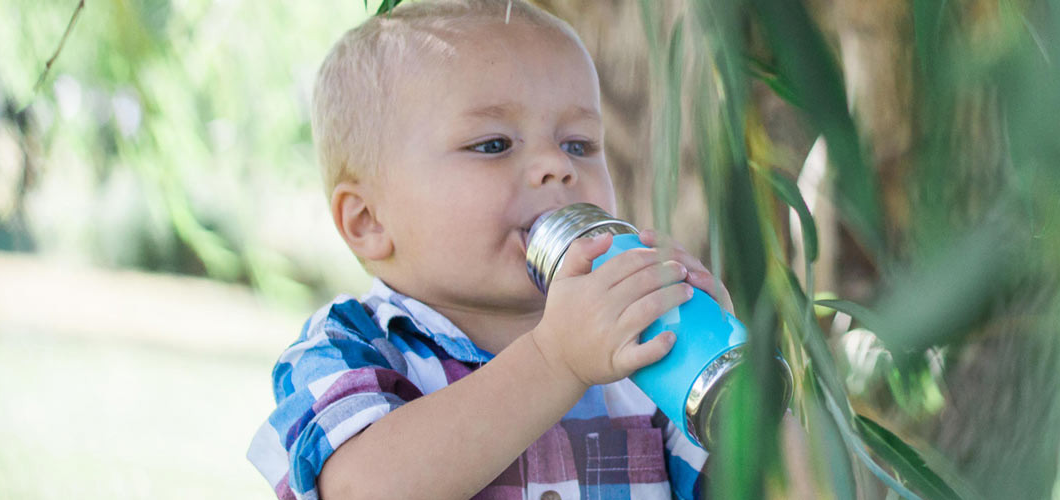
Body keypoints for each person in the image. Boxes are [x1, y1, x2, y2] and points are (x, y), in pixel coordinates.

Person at [247, 1, 731, 498]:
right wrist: (554, 362)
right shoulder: (350, 346)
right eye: (494, 144)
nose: (555, 166)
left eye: (580, 144)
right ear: (369, 220)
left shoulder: (641, 354)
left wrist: (728, 367)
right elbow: (361, 488)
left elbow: (785, 481)